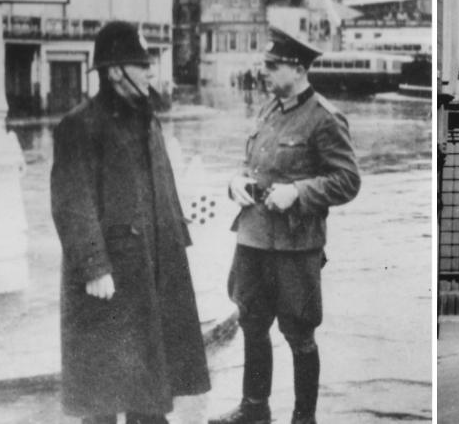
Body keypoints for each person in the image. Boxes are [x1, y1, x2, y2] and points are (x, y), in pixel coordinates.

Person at [50, 22, 210, 424]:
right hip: (108, 280)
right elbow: (72, 201)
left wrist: (177, 236)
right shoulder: (79, 124)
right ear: (115, 70)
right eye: (141, 64)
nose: (150, 71)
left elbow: (163, 180)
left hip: (152, 270)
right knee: (102, 394)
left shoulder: (147, 118)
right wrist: (93, 267)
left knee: (150, 389)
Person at [209, 27, 361, 424]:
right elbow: (253, 166)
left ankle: (303, 418)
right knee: (252, 325)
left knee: (300, 336)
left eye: (272, 66)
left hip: (296, 248)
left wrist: (299, 192)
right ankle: (254, 410)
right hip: (253, 239)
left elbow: (348, 181)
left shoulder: (324, 118)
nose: (264, 73)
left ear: (297, 68)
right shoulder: (268, 110)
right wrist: (234, 183)